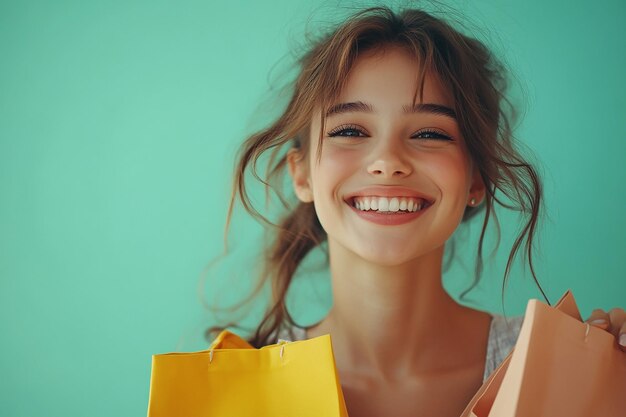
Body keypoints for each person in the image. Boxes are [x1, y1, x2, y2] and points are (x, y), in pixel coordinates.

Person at [206, 6, 626, 417]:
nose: (387, 160)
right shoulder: (226, 394)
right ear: (302, 177)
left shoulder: (562, 372)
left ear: (476, 178)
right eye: (350, 130)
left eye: (429, 133)